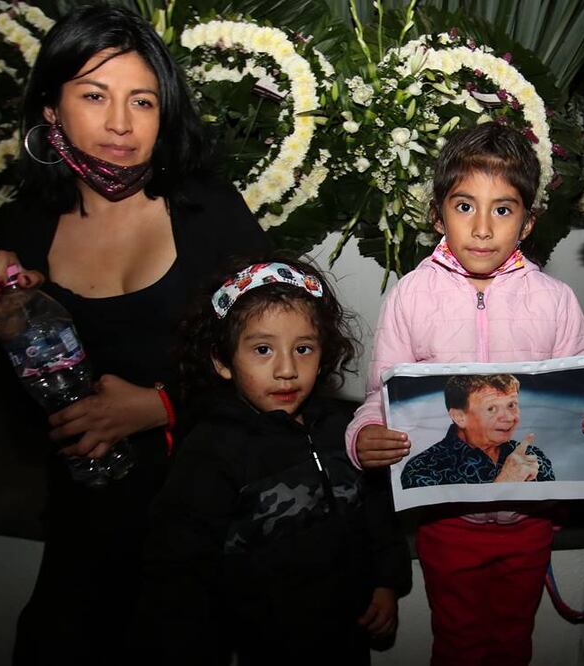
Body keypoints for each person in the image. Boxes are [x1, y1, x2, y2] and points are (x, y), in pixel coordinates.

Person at [0, 6, 268, 664]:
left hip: (197, 523)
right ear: (51, 109)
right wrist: (7, 314)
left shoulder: (209, 211)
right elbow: (32, 398)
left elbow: (282, 368)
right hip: (83, 525)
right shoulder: (32, 220)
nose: (122, 125)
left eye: (142, 101)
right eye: (94, 97)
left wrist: (159, 405)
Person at [346, 122, 584, 665]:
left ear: (527, 222)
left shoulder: (554, 302)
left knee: (511, 642)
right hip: (446, 523)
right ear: (437, 213)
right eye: (464, 207)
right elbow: (380, 398)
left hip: (529, 522)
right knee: (455, 642)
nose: (482, 228)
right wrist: (364, 435)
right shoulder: (411, 296)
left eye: (502, 210)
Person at [139, 258, 412, 665]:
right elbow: (180, 572)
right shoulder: (211, 451)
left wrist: (385, 584)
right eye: (262, 349)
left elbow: (375, 511)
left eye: (303, 349)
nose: (286, 370)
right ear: (222, 360)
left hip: (346, 636)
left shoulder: (342, 428)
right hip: (265, 645)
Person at [400, 374, 555, 488]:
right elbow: (438, 522)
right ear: (459, 417)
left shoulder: (532, 457)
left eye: (511, 405)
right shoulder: (423, 468)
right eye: (491, 408)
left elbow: (556, 515)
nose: (509, 418)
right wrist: (506, 482)